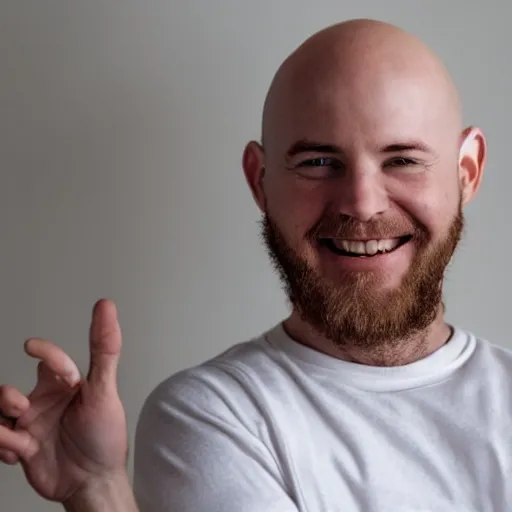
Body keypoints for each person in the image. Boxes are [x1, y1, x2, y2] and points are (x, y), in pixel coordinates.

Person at [0, 17, 506, 511]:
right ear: (260, 181)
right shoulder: (212, 415)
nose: (362, 202)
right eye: (319, 162)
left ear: (468, 172)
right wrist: (96, 493)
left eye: (402, 160)